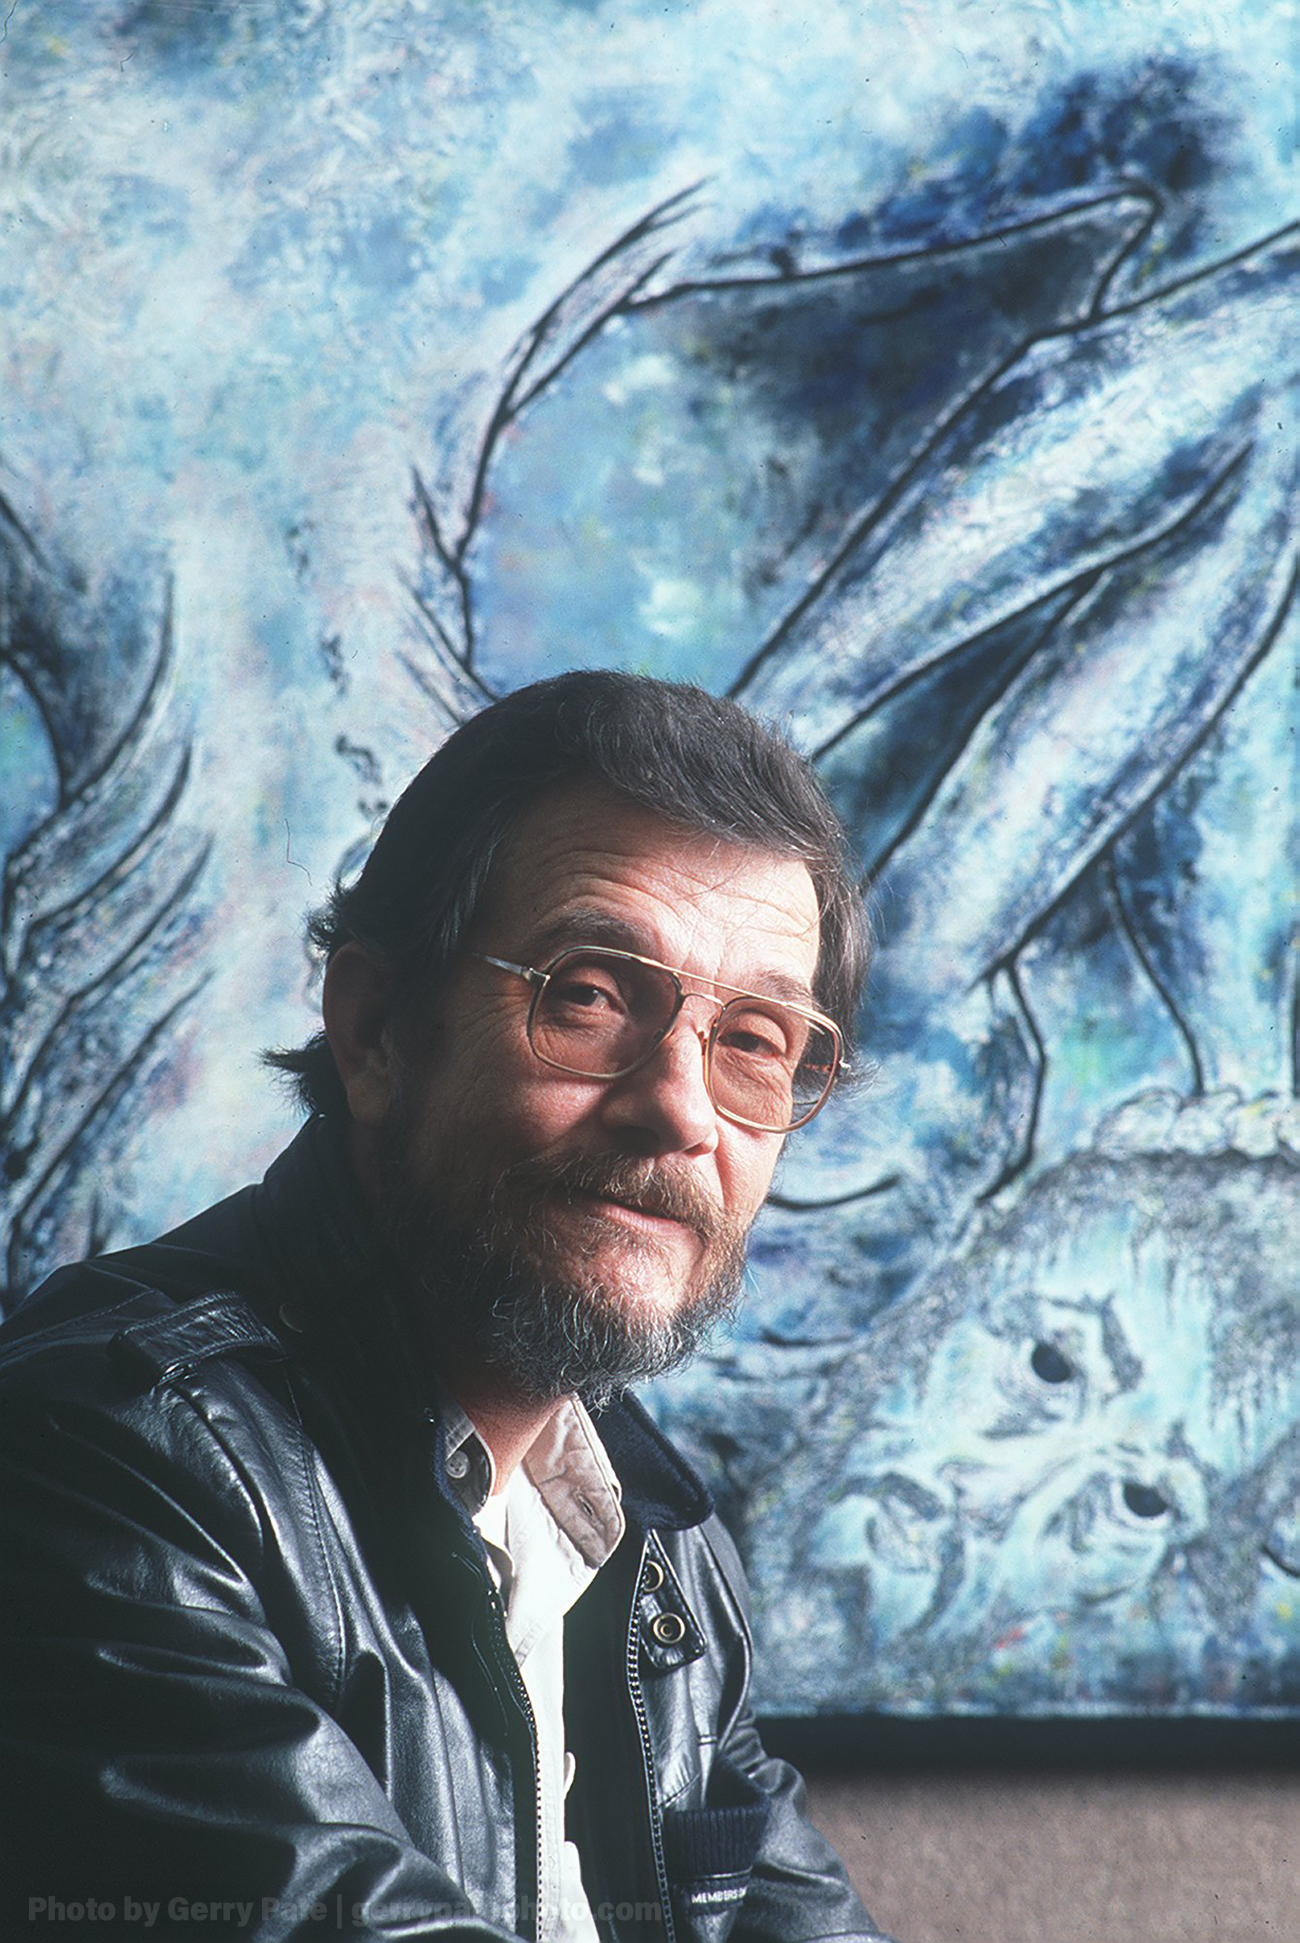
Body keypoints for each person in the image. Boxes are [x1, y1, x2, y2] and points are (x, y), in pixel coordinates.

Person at [0, 673, 894, 1942]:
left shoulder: (658, 1548)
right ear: (376, 1031)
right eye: (589, 993)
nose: (681, 1110)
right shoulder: (101, 1457)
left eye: (753, 1039)